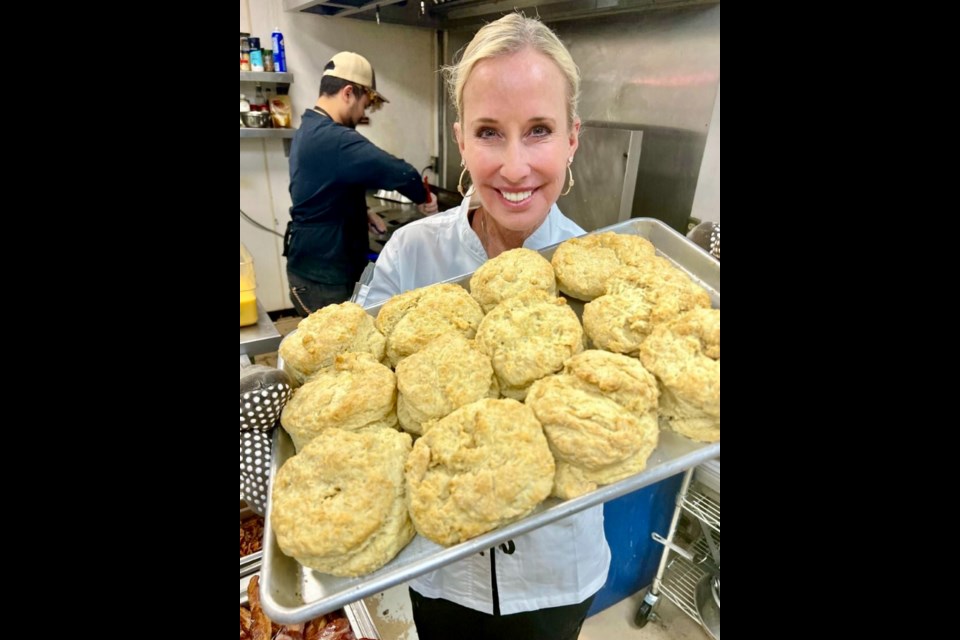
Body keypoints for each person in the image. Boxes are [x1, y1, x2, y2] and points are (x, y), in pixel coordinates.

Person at [363, 14, 609, 640]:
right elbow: (361, 391)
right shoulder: (409, 256)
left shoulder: (602, 279)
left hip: (557, 573)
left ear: (573, 139)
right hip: (441, 571)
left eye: (540, 131)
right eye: (490, 133)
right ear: (462, 142)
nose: (516, 165)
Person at [284, 51, 438, 317]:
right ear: (347, 93)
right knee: (336, 352)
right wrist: (425, 198)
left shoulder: (310, 128)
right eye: (364, 105)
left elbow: (321, 189)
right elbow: (402, 173)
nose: (362, 114)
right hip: (323, 278)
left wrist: (361, 212)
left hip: (311, 267)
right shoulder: (334, 138)